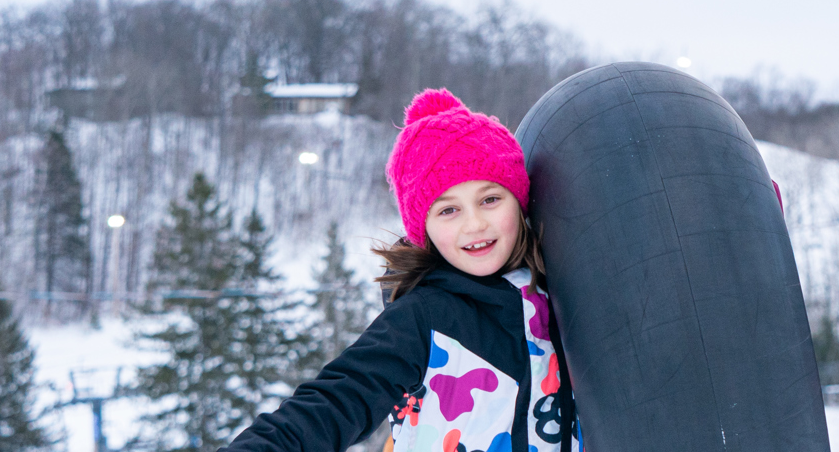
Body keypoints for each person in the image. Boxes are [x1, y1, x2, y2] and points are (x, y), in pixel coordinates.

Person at [225, 89, 581, 452]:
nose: (474, 224)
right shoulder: (423, 318)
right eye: (448, 211)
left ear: (519, 201)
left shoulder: (563, 298)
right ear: (423, 228)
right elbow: (336, 401)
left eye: (490, 200)